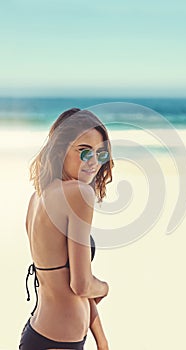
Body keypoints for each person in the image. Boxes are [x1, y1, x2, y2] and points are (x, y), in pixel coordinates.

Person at [19, 108, 114, 350]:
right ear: (61, 150)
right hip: (61, 341)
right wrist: (104, 286)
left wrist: (101, 342)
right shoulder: (79, 194)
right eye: (84, 152)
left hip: (39, 331)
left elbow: (68, 278)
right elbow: (82, 285)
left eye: (100, 154)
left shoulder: (36, 198)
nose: (93, 163)